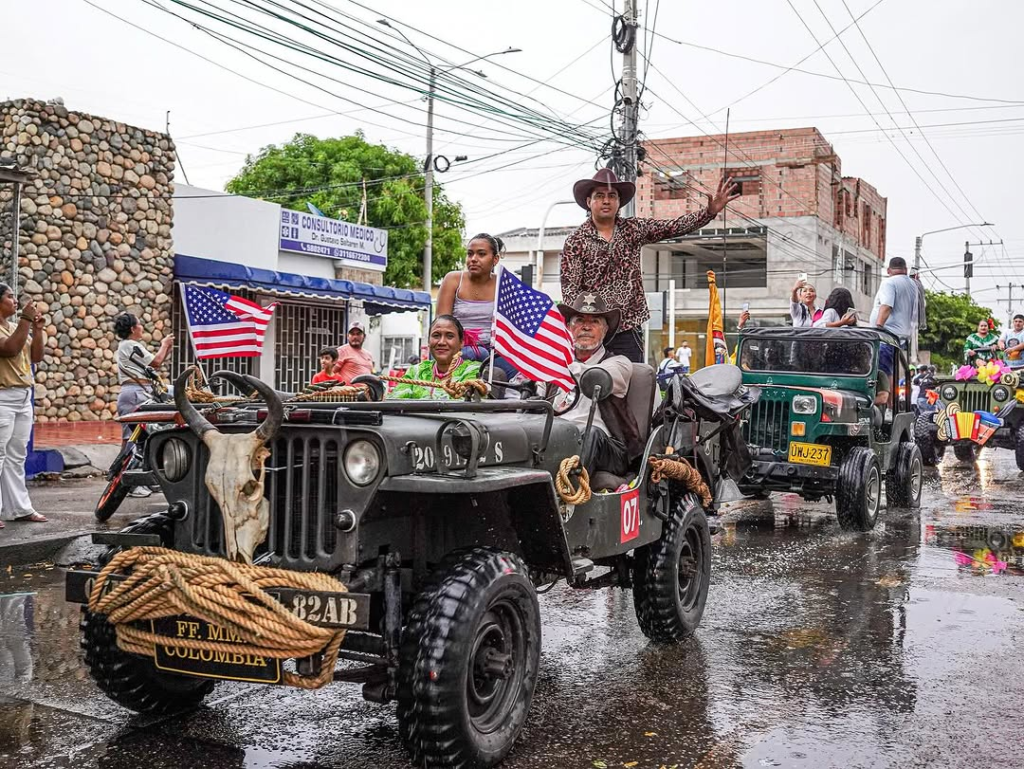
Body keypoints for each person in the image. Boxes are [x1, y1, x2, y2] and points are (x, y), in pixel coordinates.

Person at [560, 169, 738, 363]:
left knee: (634, 377)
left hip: (627, 328)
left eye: (612, 196)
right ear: (589, 202)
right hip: (591, 329)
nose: (606, 201)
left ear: (619, 202)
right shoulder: (576, 241)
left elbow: (672, 227)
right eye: (599, 196)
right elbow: (570, 291)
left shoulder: (633, 229)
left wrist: (709, 212)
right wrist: (579, 325)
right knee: (587, 378)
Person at [552, 294, 636, 477]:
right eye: (580, 320)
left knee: (591, 434)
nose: (586, 327)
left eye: (595, 322)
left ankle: (570, 492)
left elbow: (596, 377)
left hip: (607, 447)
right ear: (569, 328)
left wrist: (555, 365)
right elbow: (534, 392)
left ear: (604, 331)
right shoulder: (553, 364)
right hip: (555, 437)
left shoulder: (619, 363)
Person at [0, 285, 46, 527]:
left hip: (22, 397)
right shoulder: (12, 329)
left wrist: (37, 331)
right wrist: (26, 320)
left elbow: (35, 356)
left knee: (17, 455)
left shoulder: (14, 328)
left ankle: (19, 508)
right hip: (3, 397)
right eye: (10, 297)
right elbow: (9, 349)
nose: (15, 301)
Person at [114, 312, 174, 498]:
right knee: (132, 439)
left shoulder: (128, 347)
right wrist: (164, 345)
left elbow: (151, 367)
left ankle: (142, 479)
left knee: (142, 438)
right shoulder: (130, 345)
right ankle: (128, 483)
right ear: (133, 329)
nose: (142, 327)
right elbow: (155, 362)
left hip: (139, 393)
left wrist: (166, 348)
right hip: (135, 394)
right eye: (139, 324)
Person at [390, 315, 483, 400]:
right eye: (436, 336)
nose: (441, 342)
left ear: (461, 342)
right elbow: (395, 402)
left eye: (449, 336)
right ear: (429, 342)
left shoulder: (475, 371)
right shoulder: (416, 371)